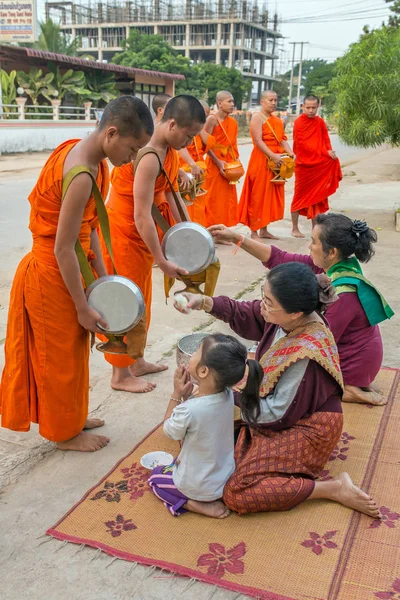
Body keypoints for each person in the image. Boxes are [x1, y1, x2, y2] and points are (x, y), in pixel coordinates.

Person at [0, 96, 154, 451]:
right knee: (59, 359)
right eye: (131, 149)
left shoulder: (91, 158)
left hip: (72, 269)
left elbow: (92, 228)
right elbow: (62, 247)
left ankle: (72, 416)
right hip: (51, 273)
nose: (132, 159)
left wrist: (101, 279)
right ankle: (64, 434)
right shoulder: (82, 173)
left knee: (74, 350)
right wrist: (82, 306)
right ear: (111, 133)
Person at [176, 263, 380, 518]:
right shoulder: (284, 314)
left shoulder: (306, 353)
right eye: (263, 294)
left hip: (307, 426)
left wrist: (228, 396)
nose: (262, 305)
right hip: (274, 408)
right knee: (203, 445)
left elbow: (277, 415)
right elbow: (247, 312)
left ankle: (331, 488)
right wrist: (203, 301)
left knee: (235, 491)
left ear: (294, 313)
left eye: (268, 301)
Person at [210, 214, 394, 406]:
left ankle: (347, 389)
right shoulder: (332, 265)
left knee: (290, 383)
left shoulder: (342, 294)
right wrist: (235, 238)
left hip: (354, 364)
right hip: (353, 353)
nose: (309, 246)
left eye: (313, 242)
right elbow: (279, 258)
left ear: (331, 252)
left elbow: (320, 343)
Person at [100, 95, 206, 393]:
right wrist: (162, 260)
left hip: (141, 233)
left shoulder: (168, 150)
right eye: (188, 135)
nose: (188, 143)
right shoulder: (148, 156)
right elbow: (141, 216)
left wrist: (184, 232)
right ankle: (119, 376)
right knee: (125, 303)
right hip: (125, 232)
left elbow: (169, 193)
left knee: (141, 299)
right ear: (171, 123)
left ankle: (136, 360)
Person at [148, 334, 262, 518]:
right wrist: (186, 398)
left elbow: (169, 430)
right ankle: (202, 498)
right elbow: (201, 418)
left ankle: (192, 504)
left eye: (196, 352)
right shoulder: (226, 394)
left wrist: (176, 394)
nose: (192, 354)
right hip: (223, 477)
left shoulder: (188, 410)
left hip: (197, 486)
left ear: (202, 371)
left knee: (155, 478)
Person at [238, 90, 294, 241]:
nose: (274, 103)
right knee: (257, 195)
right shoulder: (257, 117)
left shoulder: (277, 120)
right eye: (271, 100)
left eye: (275, 100)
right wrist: (272, 155)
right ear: (262, 102)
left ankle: (264, 229)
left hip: (276, 163)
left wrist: (290, 153)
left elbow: (282, 139)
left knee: (269, 196)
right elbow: (258, 140)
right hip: (261, 160)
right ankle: (254, 231)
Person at [291, 95, 342, 238]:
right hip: (303, 166)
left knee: (318, 197)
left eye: (314, 107)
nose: (311, 110)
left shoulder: (320, 122)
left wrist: (329, 152)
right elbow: (303, 145)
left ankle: (315, 228)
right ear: (302, 107)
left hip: (318, 165)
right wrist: (324, 152)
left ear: (317, 107)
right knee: (299, 197)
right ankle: (294, 228)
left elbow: (325, 139)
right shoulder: (299, 122)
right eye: (308, 107)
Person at [202, 90, 239, 227]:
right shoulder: (212, 119)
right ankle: (211, 228)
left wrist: (236, 161)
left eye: (233, 101)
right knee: (213, 198)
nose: (232, 104)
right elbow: (206, 143)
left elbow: (233, 144)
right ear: (219, 103)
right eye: (229, 101)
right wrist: (218, 162)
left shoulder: (233, 122)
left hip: (229, 164)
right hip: (214, 163)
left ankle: (223, 229)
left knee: (226, 199)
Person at [178, 99, 216, 225]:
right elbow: (179, 147)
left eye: (205, 116)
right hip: (185, 170)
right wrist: (191, 164)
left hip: (198, 171)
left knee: (199, 206)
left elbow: (209, 143)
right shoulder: (182, 128)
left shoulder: (198, 130)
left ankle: (196, 233)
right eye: (201, 115)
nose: (203, 119)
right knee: (185, 205)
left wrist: (199, 128)